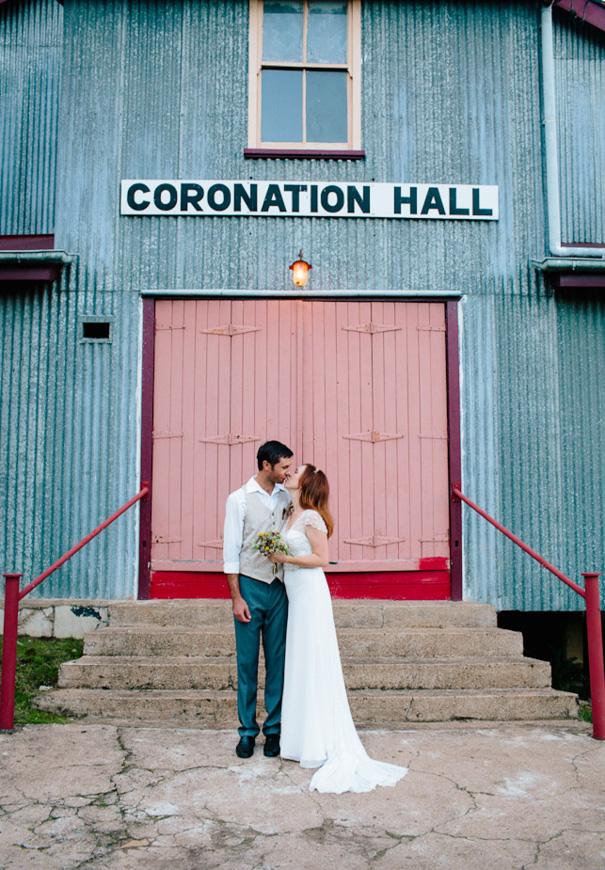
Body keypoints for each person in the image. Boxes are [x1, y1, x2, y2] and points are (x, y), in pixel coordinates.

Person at [268, 464, 408, 794]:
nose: (290, 473)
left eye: (296, 471)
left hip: (311, 595)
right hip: (295, 595)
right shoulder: (291, 511)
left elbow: (321, 559)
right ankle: (301, 741)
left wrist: (284, 559)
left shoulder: (312, 517)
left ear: (307, 483)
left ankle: (318, 743)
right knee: (301, 662)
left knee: (314, 661)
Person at [223, 440, 293, 759]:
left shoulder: (287, 497)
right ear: (266, 466)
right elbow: (231, 553)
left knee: (277, 661)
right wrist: (236, 598)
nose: (287, 473)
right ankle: (247, 732)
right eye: (283, 467)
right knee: (247, 663)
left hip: (279, 587)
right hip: (250, 586)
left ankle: (274, 730)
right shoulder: (238, 500)